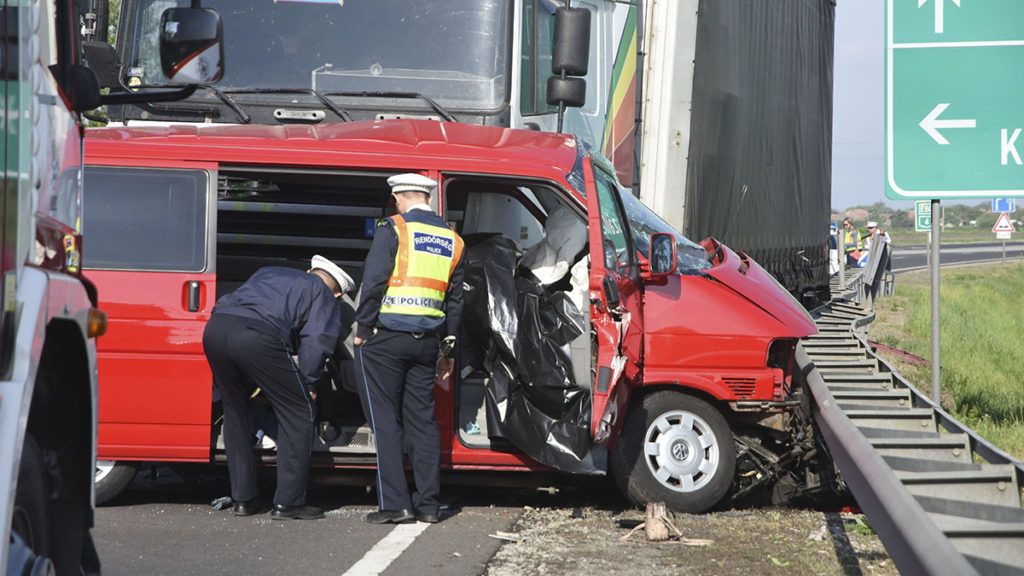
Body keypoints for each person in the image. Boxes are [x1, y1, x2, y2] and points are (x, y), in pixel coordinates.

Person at [203, 255, 354, 520]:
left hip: (216, 328)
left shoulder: (269, 271)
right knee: (298, 411)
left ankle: (244, 499)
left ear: (309, 269)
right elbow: (317, 340)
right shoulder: (323, 293)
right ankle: (289, 502)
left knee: (236, 410)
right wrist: (308, 383)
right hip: (256, 336)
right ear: (339, 293)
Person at [354, 173, 465, 525]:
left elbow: (374, 280)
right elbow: (456, 302)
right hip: (428, 344)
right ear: (427, 198)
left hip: (385, 338)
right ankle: (428, 506)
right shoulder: (453, 239)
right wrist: (447, 351)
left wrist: (362, 327)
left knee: (385, 421)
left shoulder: (395, 229)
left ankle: (395, 505)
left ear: (400, 197)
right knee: (423, 422)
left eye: (395, 200)